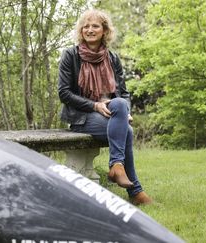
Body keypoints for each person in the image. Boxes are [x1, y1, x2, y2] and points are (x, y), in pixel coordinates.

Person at [57, 9, 152, 205]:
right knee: (127, 131)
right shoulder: (70, 56)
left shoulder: (112, 58)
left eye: (95, 26)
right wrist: (95, 105)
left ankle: (117, 167)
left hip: (113, 114)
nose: (89, 30)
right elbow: (64, 93)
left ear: (104, 31)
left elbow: (123, 93)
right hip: (81, 117)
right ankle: (134, 190)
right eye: (86, 26)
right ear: (81, 30)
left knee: (119, 104)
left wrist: (126, 112)